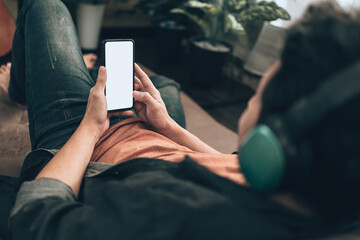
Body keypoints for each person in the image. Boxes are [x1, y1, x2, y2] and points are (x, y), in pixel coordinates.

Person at [2, 0, 360, 239]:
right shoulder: (311, 186)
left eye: (262, 92)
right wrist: (168, 127)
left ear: (278, 137)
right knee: (163, 86)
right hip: (155, 139)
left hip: (88, 147)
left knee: (44, 6)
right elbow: (227, 164)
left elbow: (34, 216)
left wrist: (90, 125)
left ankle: (19, 88)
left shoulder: (177, 217)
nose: (255, 97)